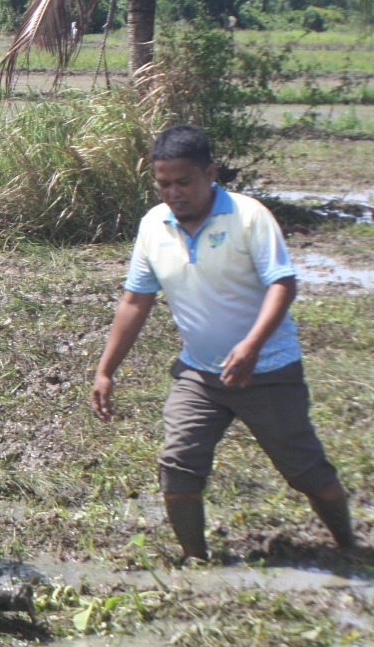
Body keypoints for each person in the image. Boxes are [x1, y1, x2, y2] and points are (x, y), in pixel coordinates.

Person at [91, 123, 357, 560]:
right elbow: (135, 301)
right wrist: (106, 370)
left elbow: (282, 284)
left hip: (267, 370)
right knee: (178, 466)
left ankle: (349, 548)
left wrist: (251, 345)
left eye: (183, 182)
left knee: (306, 471)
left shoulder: (249, 217)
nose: (173, 193)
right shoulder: (154, 225)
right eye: (163, 183)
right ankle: (195, 562)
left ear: (210, 174)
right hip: (199, 374)